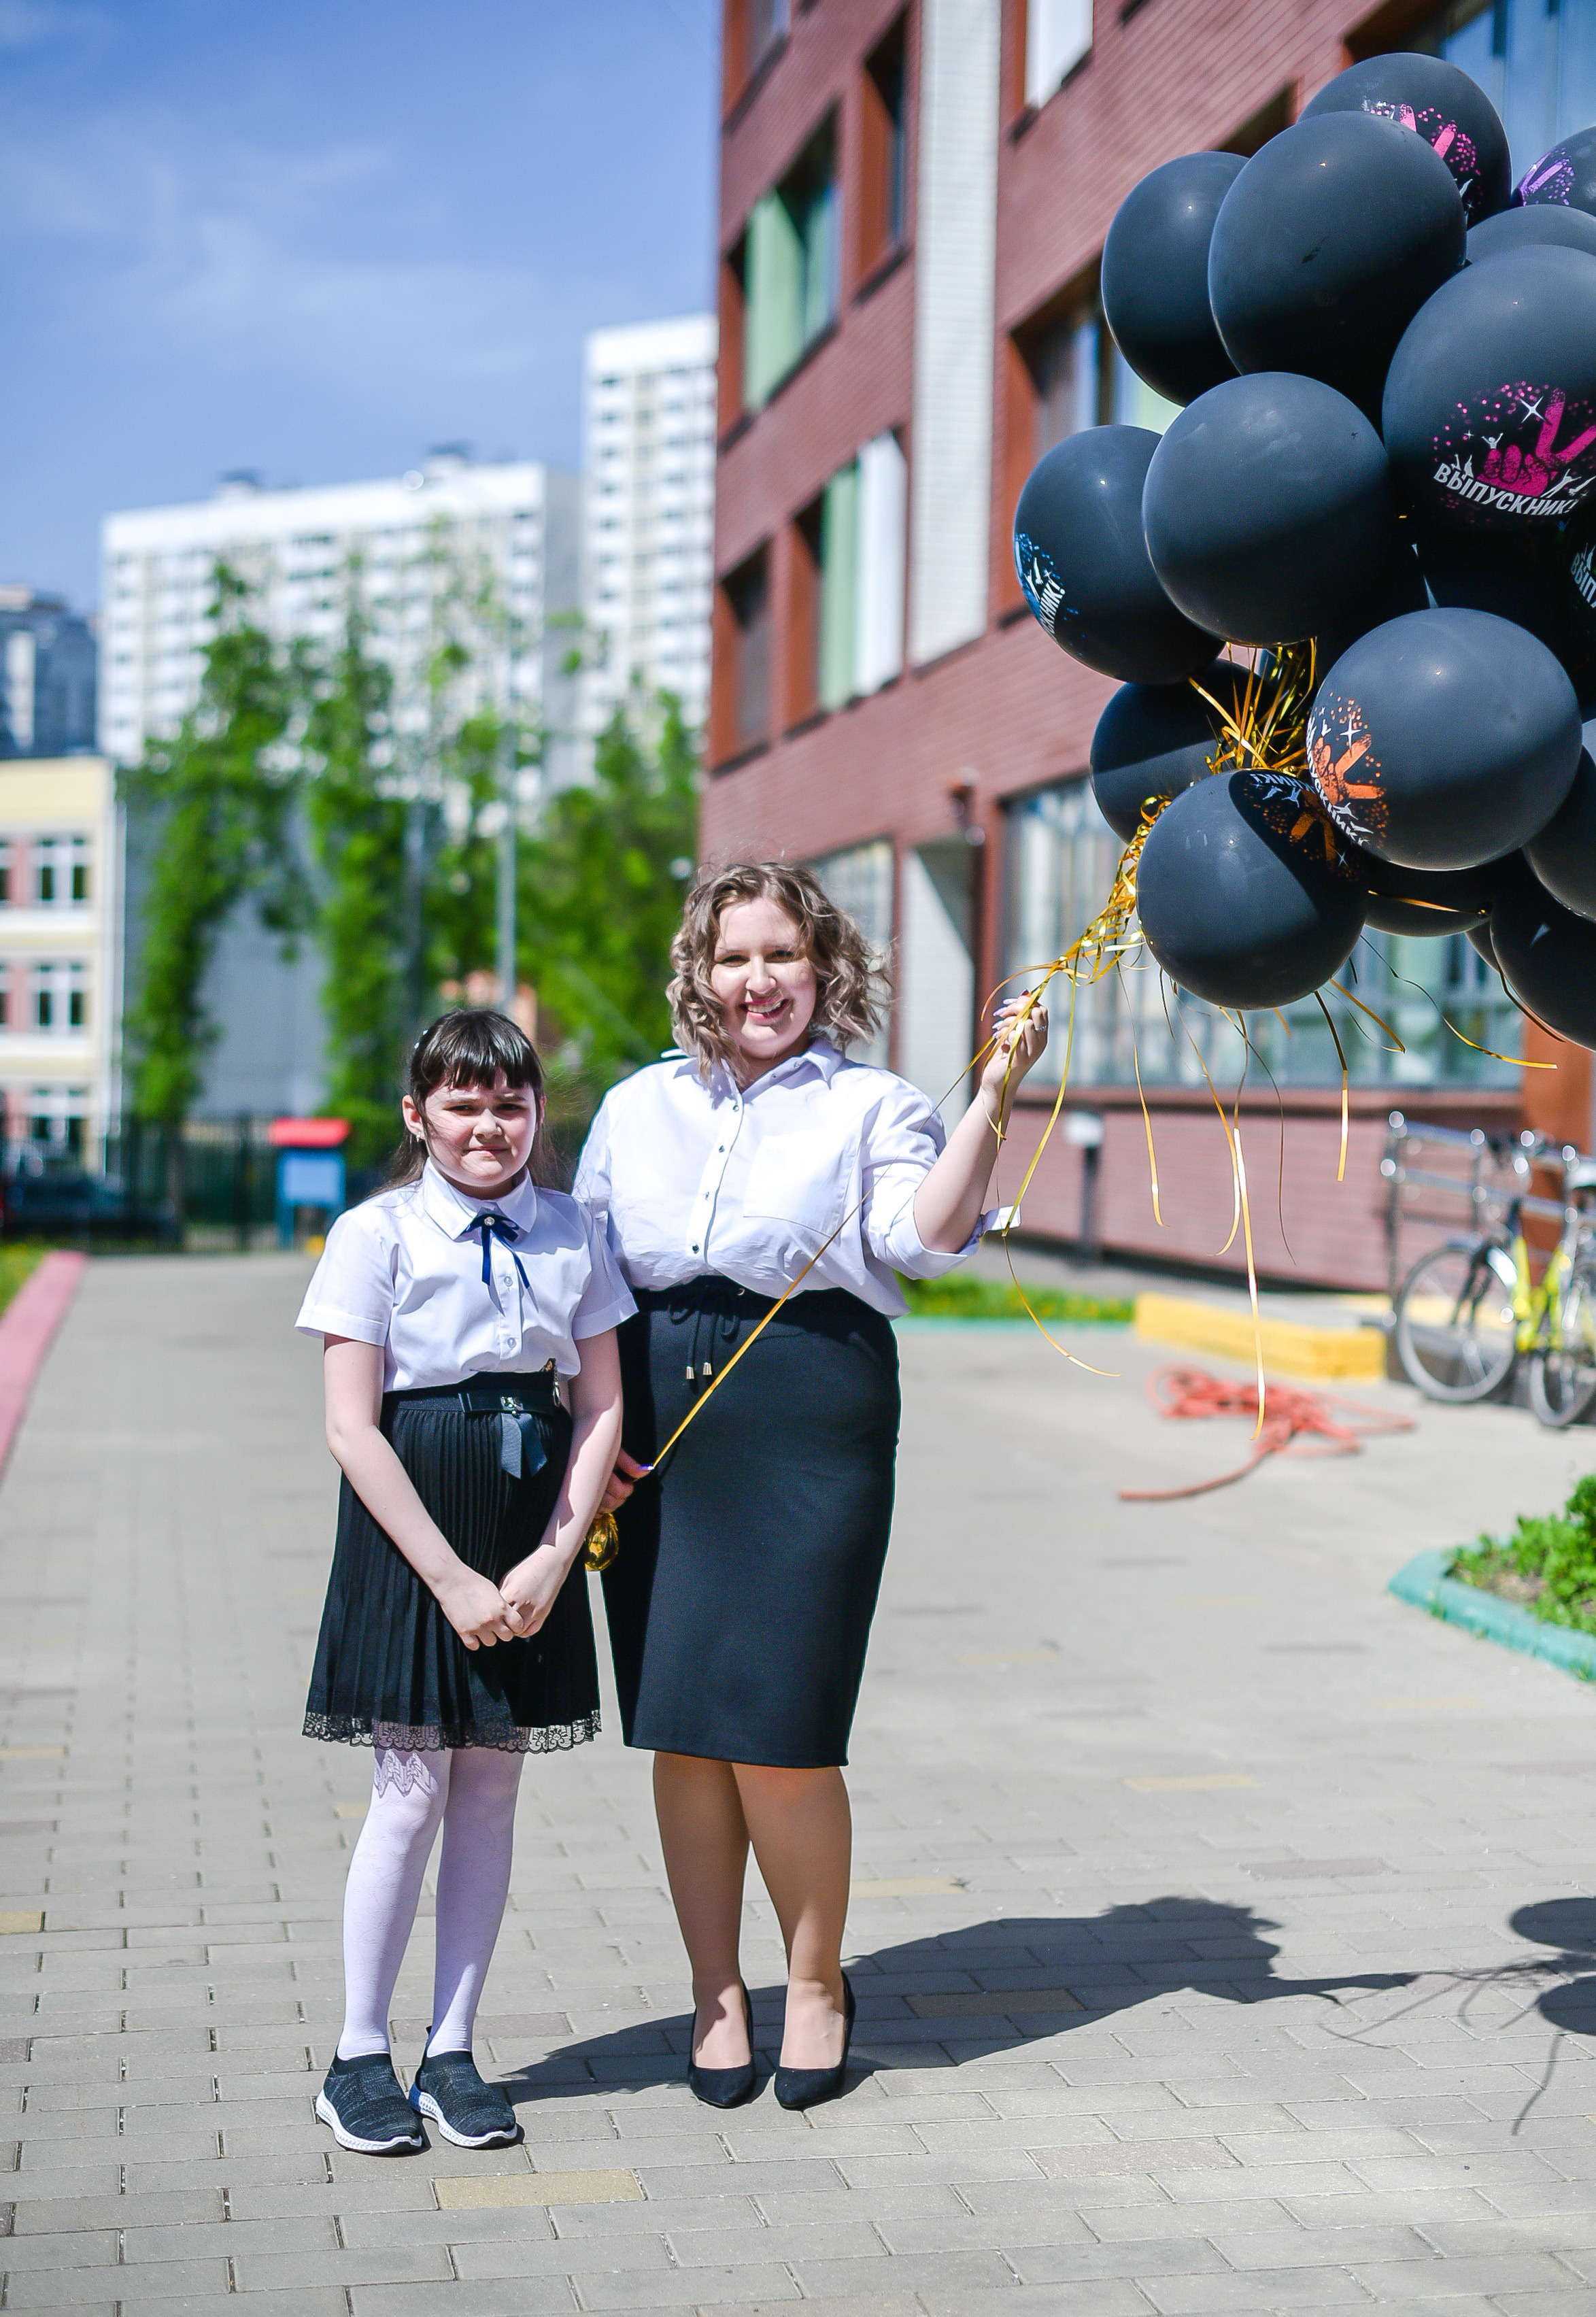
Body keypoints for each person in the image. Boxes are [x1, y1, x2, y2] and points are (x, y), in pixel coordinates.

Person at [575, 860, 1047, 2112]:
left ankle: (819, 1982)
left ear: (824, 967)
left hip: (808, 1414)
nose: (759, 979)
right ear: (699, 973)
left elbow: (923, 1240)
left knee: (780, 1733)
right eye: (735, 957)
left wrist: (995, 1094)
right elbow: (585, 1281)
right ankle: (715, 1995)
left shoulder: (874, 1105)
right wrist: (590, 1435)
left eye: (782, 953)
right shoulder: (636, 1107)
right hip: (656, 1419)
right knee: (683, 1729)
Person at [297, 1009, 631, 2157]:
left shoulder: (569, 1231)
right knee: (409, 1792)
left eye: (509, 1104)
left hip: (527, 1524)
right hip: (415, 1536)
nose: (488, 1126)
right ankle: (355, 2057)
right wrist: (449, 1579)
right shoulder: (376, 1234)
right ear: (417, 1114)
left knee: (491, 1790)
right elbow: (352, 1428)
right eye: (461, 1104)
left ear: (536, 1112)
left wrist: (551, 1554)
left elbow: (599, 1404)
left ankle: (451, 2049)